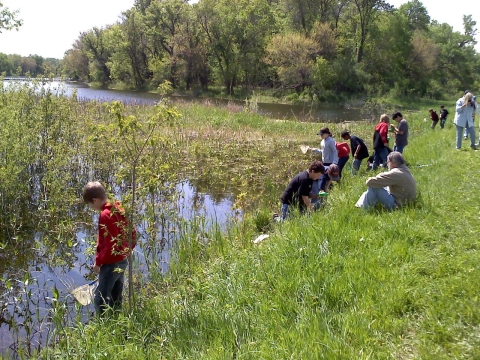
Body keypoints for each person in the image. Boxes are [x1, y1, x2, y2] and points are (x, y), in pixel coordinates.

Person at [83, 181, 137, 315]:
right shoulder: (118, 207)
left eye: (90, 205)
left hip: (110, 263)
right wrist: (127, 250)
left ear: (95, 200)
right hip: (123, 260)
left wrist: (99, 263)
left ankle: (103, 327)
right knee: (116, 295)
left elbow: (109, 246)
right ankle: (117, 321)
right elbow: (133, 232)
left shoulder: (105, 215)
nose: (91, 207)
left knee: (100, 298)